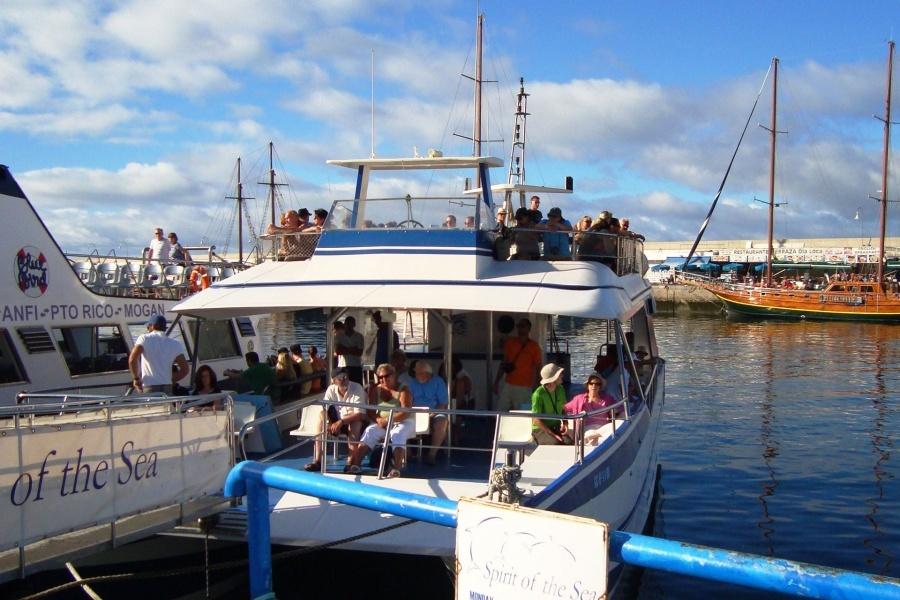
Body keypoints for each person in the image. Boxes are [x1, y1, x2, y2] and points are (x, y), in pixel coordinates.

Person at [345, 364, 413, 478]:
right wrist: (379, 420)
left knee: (398, 434)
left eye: (386, 376)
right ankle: (356, 465)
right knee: (369, 431)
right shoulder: (376, 389)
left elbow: (406, 412)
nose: (383, 379)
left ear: (394, 375)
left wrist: (388, 420)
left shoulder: (403, 390)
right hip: (382, 422)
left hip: (403, 421)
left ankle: (396, 469)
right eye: (380, 377)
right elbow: (371, 410)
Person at [303, 369, 368, 471]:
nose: (344, 379)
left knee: (355, 424)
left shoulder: (357, 387)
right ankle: (317, 461)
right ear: (334, 381)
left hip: (354, 421)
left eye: (345, 376)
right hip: (338, 421)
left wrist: (341, 422)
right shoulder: (331, 389)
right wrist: (329, 424)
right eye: (340, 378)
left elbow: (360, 414)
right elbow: (324, 409)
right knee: (321, 419)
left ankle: (351, 462)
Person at [128, 315, 188, 394]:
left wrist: (136, 379)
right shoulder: (175, 344)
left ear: (152, 326)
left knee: (153, 407)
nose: (147, 330)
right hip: (167, 388)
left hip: (150, 387)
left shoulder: (144, 339)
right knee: (167, 407)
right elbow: (185, 370)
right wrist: (170, 380)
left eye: (148, 327)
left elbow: (132, 360)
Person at [493, 317, 542, 411]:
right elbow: (503, 363)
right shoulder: (510, 343)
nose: (520, 329)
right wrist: (496, 382)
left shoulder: (534, 347)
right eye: (518, 326)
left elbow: (538, 367)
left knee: (522, 415)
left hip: (524, 387)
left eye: (522, 326)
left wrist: (538, 386)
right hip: (508, 384)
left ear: (528, 329)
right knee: (500, 412)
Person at [406, 361, 449, 464]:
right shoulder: (411, 383)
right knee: (401, 421)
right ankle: (408, 454)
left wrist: (431, 414)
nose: (416, 375)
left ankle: (432, 454)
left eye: (418, 373)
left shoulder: (438, 382)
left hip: (434, 411)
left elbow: (442, 404)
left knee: (441, 422)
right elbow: (407, 402)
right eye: (416, 373)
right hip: (414, 412)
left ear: (427, 373)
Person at [565, 373, 616, 445]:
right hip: (588, 428)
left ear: (600, 386)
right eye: (591, 383)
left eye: (597, 384)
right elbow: (564, 409)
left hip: (604, 428)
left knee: (613, 426)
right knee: (591, 434)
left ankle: (591, 438)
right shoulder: (579, 399)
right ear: (588, 385)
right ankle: (593, 438)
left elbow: (620, 409)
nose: (594, 386)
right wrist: (564, 423)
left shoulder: (607, 399)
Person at [531, 363, 573, 445]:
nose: (562, 376)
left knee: (569, 442)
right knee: (555, 442)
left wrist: (565, 423)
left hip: (555, 426)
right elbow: (536, 420)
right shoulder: (538, 394)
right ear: (554, 378)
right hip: (540, 430)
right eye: (560, 374)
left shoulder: (560, 389)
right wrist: (552, 434)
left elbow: (564, 408)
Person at [335, 315, 364, 384]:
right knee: (343, 386)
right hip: (343, 366)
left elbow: (359, 353)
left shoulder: (359, 336)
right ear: (345, 324)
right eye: (348, 323)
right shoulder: (339, 336)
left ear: (354, 325)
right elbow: (338, 351)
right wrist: (352, 349)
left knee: (357, 388)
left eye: (351, 324)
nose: (349, 326)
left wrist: (344, 349)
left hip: (356, 366)